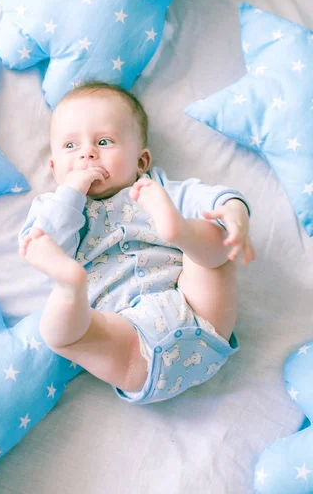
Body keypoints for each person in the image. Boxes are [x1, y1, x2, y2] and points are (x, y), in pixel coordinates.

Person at [18, 82, 255, 404]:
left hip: (198, 309)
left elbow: (212, 197)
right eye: (71, 146)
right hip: (127, 341)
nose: (88, 153)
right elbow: (42, 242)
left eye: (104, 142)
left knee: (212, 251)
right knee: (60, 334)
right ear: (54, 168)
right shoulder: (54, 206)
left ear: (141, 162)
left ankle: (180, 232)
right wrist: (71, 193)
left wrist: (233, 213)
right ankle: (70, 285)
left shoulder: (154, 189)